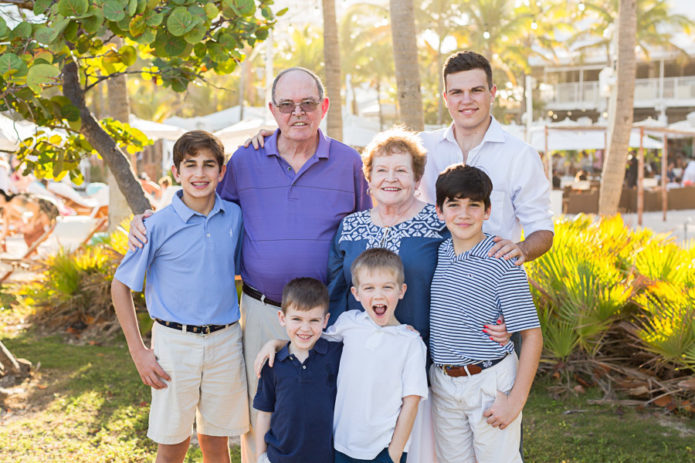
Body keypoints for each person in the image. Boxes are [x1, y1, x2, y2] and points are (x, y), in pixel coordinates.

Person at [128, 67, 371, 463]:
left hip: (326, 313)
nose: (298, 113)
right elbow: (203, 202)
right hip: (260, 310)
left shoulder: (349, 163)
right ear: (272, 110)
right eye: (287, 105)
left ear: (323, 107)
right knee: (261, 412)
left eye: (308, 104)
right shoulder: (246, 159)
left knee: (326, 408)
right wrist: (148, 219)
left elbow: (369, 225)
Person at [112, 131, 248, 463]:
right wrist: (139, 351)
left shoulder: (235, 217)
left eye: (208, 165)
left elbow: (237, 268)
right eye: (190, 165)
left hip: (225, 342)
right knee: (173, 444)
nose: (199, 174)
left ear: (221, 171)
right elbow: (120, 286)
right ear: (176, 172)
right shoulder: (155, 225)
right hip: (174, 345)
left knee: (216, 440)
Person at [257, 249, 428, 463]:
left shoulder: (411, 343)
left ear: (401, 291)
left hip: (383, 449)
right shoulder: (349, 323)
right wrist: (276, 343)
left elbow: (411, 402)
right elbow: (312, 339)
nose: (378, 295)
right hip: (340, 446)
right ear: (356, 294)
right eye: (369, 288)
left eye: (387, 287)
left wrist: (394, 453)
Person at [429, 164, 543, 463]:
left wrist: (515, 402)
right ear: (440, 211)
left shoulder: (502, 260)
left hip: (490, 383)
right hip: (443, 383)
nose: (463, 214)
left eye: (473, 206)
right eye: (453, 205)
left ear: (488, 211)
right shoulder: (439, 253)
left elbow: (532, 335)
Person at [417, 51, 553, 265]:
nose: (466, 100)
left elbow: (542, 229)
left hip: (491, 283)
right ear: (445, 98)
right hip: (430, 284)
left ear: (492, 93)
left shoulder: (520, 156)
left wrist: (521, 248)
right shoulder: (423, 148)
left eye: (476, 90)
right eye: (456, 92)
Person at [254, 277, 342, 463]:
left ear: (325, 320)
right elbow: (264, 413)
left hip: (324, 458)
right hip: (279, 457)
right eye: (297, 319)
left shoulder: (335, 355)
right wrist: (260, 456)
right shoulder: (273, 363)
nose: (305, 328)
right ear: (282, 318)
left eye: (314, 320)